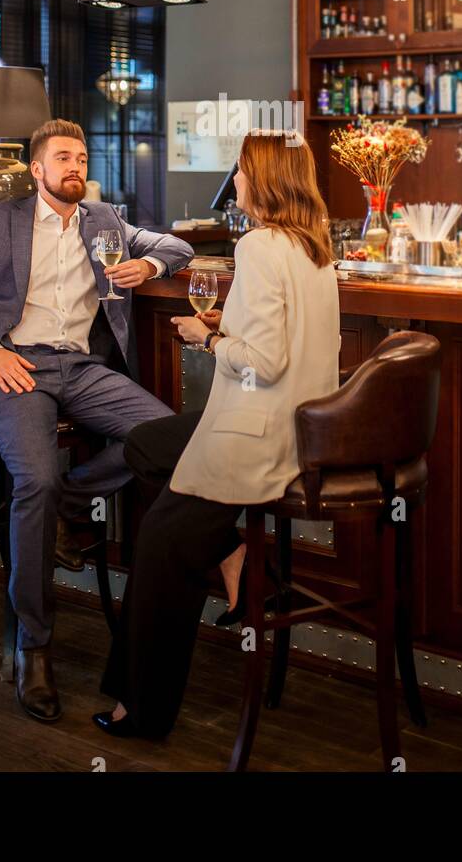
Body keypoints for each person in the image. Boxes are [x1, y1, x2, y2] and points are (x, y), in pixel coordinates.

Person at [0, 118, 193, 723]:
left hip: (81, 368)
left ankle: (68, 505)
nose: (75, 167)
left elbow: (177, 247)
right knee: (35, 481)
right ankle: (34, 648)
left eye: (81, 157)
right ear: (37, 169)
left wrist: (150, 269)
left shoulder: (105, 221)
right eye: (63, 159)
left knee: (170, 441)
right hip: (14, 368)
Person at [95, 129, 340, 740]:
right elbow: (289, 342)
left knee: (158, 539)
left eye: (241, 169)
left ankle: (141, 710)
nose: (235, 181)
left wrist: (208, 339)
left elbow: (263, 362)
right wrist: (225, 324)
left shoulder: (260, 245)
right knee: (145, 443)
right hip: (299, 427)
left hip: (256, 433)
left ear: (265, 180)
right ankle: (234, 552)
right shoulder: (316, 247)